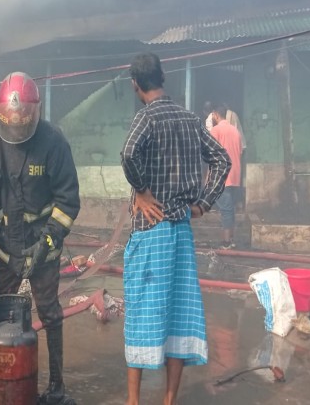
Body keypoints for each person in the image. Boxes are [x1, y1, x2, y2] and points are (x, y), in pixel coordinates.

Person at [120, 53, 230, 405]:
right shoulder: (189, 118)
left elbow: (127, 153)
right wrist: (203, 203)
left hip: (150, 228)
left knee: (140, 309)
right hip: (181, 229)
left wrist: (141, 190)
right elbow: (222, 160)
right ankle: (169, 401)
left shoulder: (146, 117)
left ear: (136, 84)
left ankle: (134, 402)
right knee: (180, 312)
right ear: (162, 78)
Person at [0, 72, 80, 405]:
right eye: (11, 126)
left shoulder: (53, 141)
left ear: (35, 112)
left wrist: (47, 243)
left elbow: (68, 201)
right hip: (7, 244)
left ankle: (57, 384)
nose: (17, 132)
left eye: (22, 125)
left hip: (43, 242)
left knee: (48, 311)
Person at [209, 105, 243, 249]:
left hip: (222, 175)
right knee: (230, 208)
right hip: (235, 175)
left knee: (226, 210)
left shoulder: (215, 131)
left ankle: (226, 242)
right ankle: (232, 240)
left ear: (216, 115)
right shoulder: (235, 130)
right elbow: (240, 151)